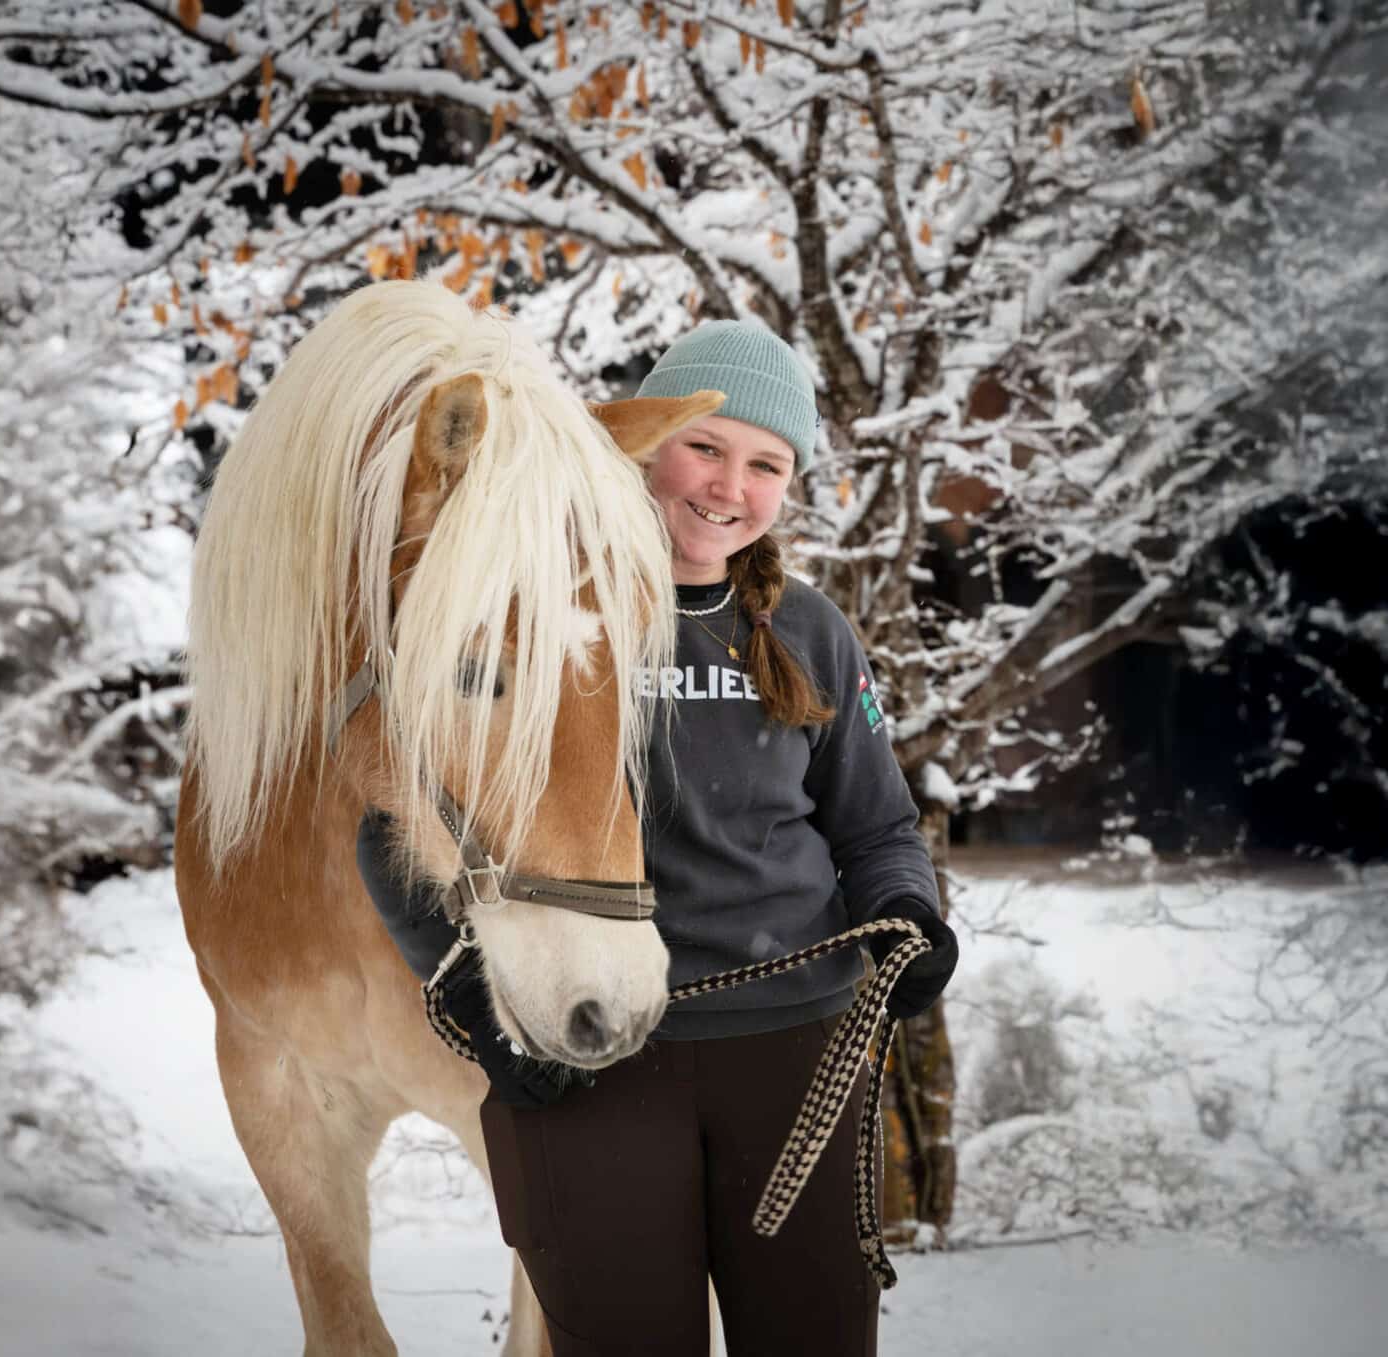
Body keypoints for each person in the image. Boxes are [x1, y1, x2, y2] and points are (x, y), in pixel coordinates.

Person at [356, 321, 957, 1355]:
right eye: (706, 446)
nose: (730, 486)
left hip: (798, 1053)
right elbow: (392, 820)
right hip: (591, 1056)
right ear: (637, 447)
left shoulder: (808, 631)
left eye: (766, 465)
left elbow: (877, 824)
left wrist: (907, 912)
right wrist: (473, 1005)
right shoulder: (523, 611)